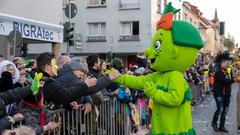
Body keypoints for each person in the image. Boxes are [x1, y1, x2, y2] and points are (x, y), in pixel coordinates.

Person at [112, 3, 204, 134]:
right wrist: (118, 77)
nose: (149, 51)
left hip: (173, 131)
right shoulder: (158, 75)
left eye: (156, 46)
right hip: (160, 129)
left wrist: (154, 92)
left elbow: (175, 99)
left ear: (175, 52)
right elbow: (139, 81)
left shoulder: (175, 76)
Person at [211, 52, 235, 133]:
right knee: (220, 109)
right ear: (220, 63)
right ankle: (214, 123)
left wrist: (233, 77)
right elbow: (226, 82)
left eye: (227, 62)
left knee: (225, 110)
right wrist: (234, 79)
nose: (226, 63)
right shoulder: (218, 72)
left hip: (227, 95)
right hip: (219, 94)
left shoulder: (228, 72)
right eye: (224, 62)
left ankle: (222, 126)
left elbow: (229, 81)